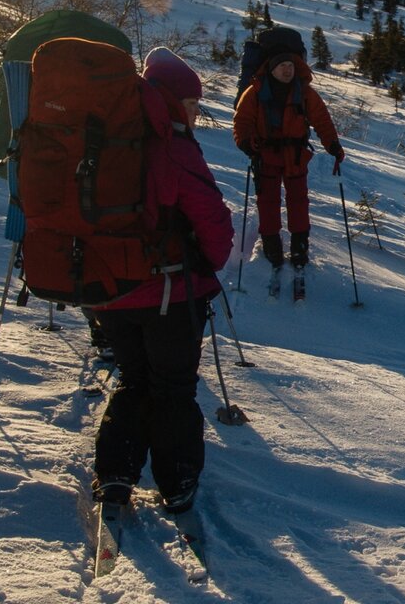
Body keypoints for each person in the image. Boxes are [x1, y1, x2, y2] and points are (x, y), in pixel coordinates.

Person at [90, 47, 234, 514]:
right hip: (169, 293)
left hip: (110, 292)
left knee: (134, 379)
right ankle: (177, 481)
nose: (195, 114)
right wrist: (210, 264)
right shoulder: (173, 145)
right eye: (192, 104)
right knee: (172, 388)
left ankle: (115, 474)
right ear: (173, 101)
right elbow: (213, 220)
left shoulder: (105, 137)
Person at [232, 37, 344, 272]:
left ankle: (299, 245)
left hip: (295, 156)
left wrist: (332, 145)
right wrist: (245, 143)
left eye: (291, 66)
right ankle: (272, 244)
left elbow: (322, 120)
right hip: (266, 156)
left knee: (298, 201)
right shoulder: (255, 92)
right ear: (272, 69)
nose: (287, 70)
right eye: (283, 66)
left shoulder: (305, 93)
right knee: (268, 201)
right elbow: (242, 121)